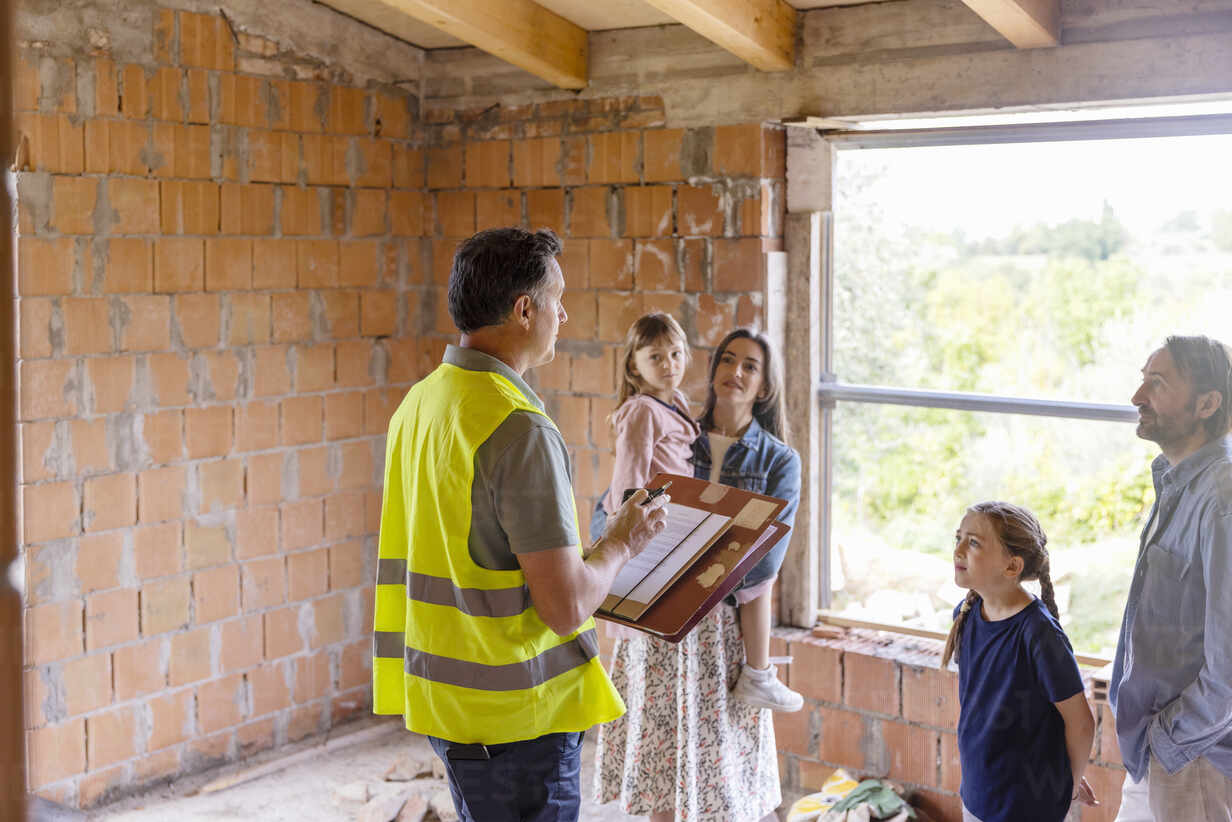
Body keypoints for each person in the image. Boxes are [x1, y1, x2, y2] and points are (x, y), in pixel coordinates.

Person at [371, 227, 670, 822]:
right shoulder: (518, 428)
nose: (566, 313)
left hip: (446, 706)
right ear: (524, 308)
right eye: (557, 298)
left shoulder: (422, 402)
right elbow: (565, 606)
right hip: (518, 720)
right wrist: (620, 542)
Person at [595, 327, 801, 822]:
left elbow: (766, 559)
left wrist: (690, 560)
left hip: (721, 628)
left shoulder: (779, 459)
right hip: (657, 615)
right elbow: (611, 513)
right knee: (661, 769)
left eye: (750, 366)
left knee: (724, 777)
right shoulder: (675, 429)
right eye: (728, 360)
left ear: (764, 385)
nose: (735, 372)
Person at [1109, 335, 1232, 822]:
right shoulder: (1178, 480)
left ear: (1207, 403)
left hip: (1193, 756)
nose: (1138, 396)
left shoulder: (1221, 500)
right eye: (1143, 379)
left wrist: (1171, 738)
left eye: (1156, 384)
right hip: (1157, 752)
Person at [942, 501, 1097, 822]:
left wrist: (1066, 782)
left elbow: (1081, 722)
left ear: (1012, 567)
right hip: (978, 793)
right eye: (958, 537)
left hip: (1028, 807)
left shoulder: (1038, 634)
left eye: (973, 542)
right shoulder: (967, 614)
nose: (958, 550)